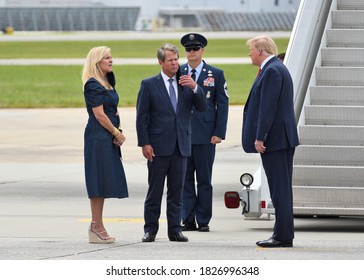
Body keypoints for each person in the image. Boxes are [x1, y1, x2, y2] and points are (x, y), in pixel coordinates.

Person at [136, 43, 207, 242]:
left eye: (176, 59)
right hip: (158, 147)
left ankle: (175, 230)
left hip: (181, 146)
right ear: (161, 62)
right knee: (155, 191)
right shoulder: (149, 84)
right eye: (170, 60)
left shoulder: (186, 83)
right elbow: (142, 117)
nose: (175, 63)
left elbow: (202, 107)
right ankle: (150, 229)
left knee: (176, 193)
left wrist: (195, 87)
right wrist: (145, 143)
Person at [242, 36, 299, 248]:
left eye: (251, 50)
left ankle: (282, 236)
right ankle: (283, 233)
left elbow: (268, 107)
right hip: (279, 139)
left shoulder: (272, 70)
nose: (249, 53)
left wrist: (260, 136)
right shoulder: (275, 68)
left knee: (279, 189)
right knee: (280, 188)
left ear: (260, 50)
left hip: (275, 140)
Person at [179, 33, 229, 232]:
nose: (192, 52)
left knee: (204, 179)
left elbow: (222, 105)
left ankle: (204, 220)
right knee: (185, 179)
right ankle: (188, 218)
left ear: (202, 50)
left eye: (195, 49)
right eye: (188, 49)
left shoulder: (215, 73)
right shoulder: (179, 72)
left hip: (206, 134)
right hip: (183, 134)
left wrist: (219, 132)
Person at [82, 46, 128, 244]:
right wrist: (115, 132)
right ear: (96, 62)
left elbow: (112, 109)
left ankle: (97, 224)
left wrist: (118, 128)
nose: (111, 60)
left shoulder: (108, 80)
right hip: (98, 136)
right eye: (106, 58)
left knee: (105, 179)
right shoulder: (92, 84)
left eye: (111, 56)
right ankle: (96, 225)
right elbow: (99, 114)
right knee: (98, 180)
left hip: (108, 134)